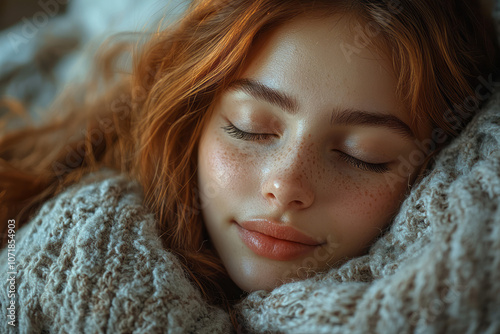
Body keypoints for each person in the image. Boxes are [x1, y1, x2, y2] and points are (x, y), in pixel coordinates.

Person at [0, 0, 499, 332]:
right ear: (193, 117)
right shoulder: (62, 246)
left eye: (361, 156)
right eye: (250, 126)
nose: (285, 185)